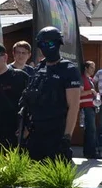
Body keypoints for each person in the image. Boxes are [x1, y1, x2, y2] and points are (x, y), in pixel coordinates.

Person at [20, 27, 82, 162]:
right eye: (42, 44)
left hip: (57, 132)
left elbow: (74, 106)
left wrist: (67, 136)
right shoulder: (39, 69)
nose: (46, 47)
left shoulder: (68, 69)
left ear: (59, 44)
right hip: (35, 133)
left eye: (50, 44)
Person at [80, 60, 100, 160]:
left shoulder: (90, 79)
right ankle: (91, 152)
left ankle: (89, 151)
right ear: (86, 68)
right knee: (91, 129)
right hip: (85, 106)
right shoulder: (82, 79)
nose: (93, 69)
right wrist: (91, 91)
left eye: (94, 67)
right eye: (91, 67)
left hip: (92, 106)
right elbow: (80, 93)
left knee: (90, 130)